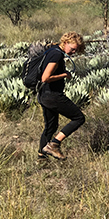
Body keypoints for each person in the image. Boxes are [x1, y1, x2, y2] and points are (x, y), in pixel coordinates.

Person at [38, 32, 86, 160]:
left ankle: (42, 158)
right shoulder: (56, 55)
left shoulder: (51, 50)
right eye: (72, 49)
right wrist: (65, 75)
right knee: (79, 118)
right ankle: (55, 144)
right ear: (65, 43)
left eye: (76, 50)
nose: (73, 52)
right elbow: (45, 77)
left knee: (51, 126)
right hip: (53, 95)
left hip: (44, 95)